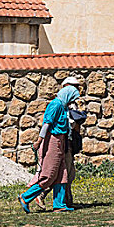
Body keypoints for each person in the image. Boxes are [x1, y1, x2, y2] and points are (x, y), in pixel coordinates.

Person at [18, 84, 80, 213]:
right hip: (52, 141)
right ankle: (25, 197)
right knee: (49, 175)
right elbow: (47, 124)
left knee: (62, 175)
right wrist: (39, 141)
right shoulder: (55, 105)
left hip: (61, 142)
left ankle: (59, 204)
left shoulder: (63, 106)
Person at [34, 77, 82, 210]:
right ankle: (39, 195)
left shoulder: (67, 105)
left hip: (67, 143)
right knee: (58, 174)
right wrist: (39, 141)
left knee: (67, 174)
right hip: (61, 143)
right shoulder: (58, 105)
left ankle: (64, 202)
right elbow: (48, 123)